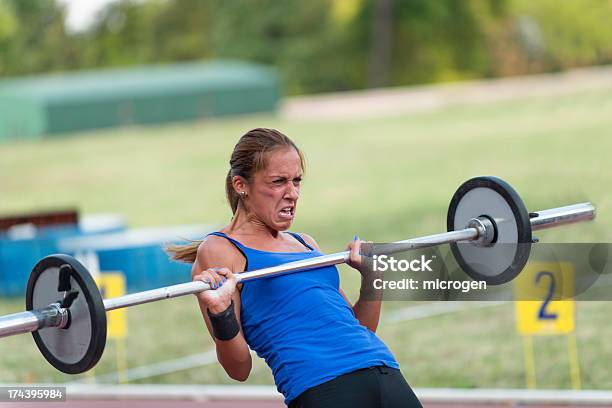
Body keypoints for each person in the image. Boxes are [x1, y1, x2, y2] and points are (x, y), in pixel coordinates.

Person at [168, 128, 422, 407]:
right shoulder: (219, 249)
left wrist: (373, 277)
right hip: (323, 388)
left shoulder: (304, 242)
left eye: (297, 181)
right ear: (241, 185)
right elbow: (238, 368)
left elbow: (360, 328)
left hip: (385, 372)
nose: (293, 193)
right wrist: (222, 314)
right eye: (278, 182)